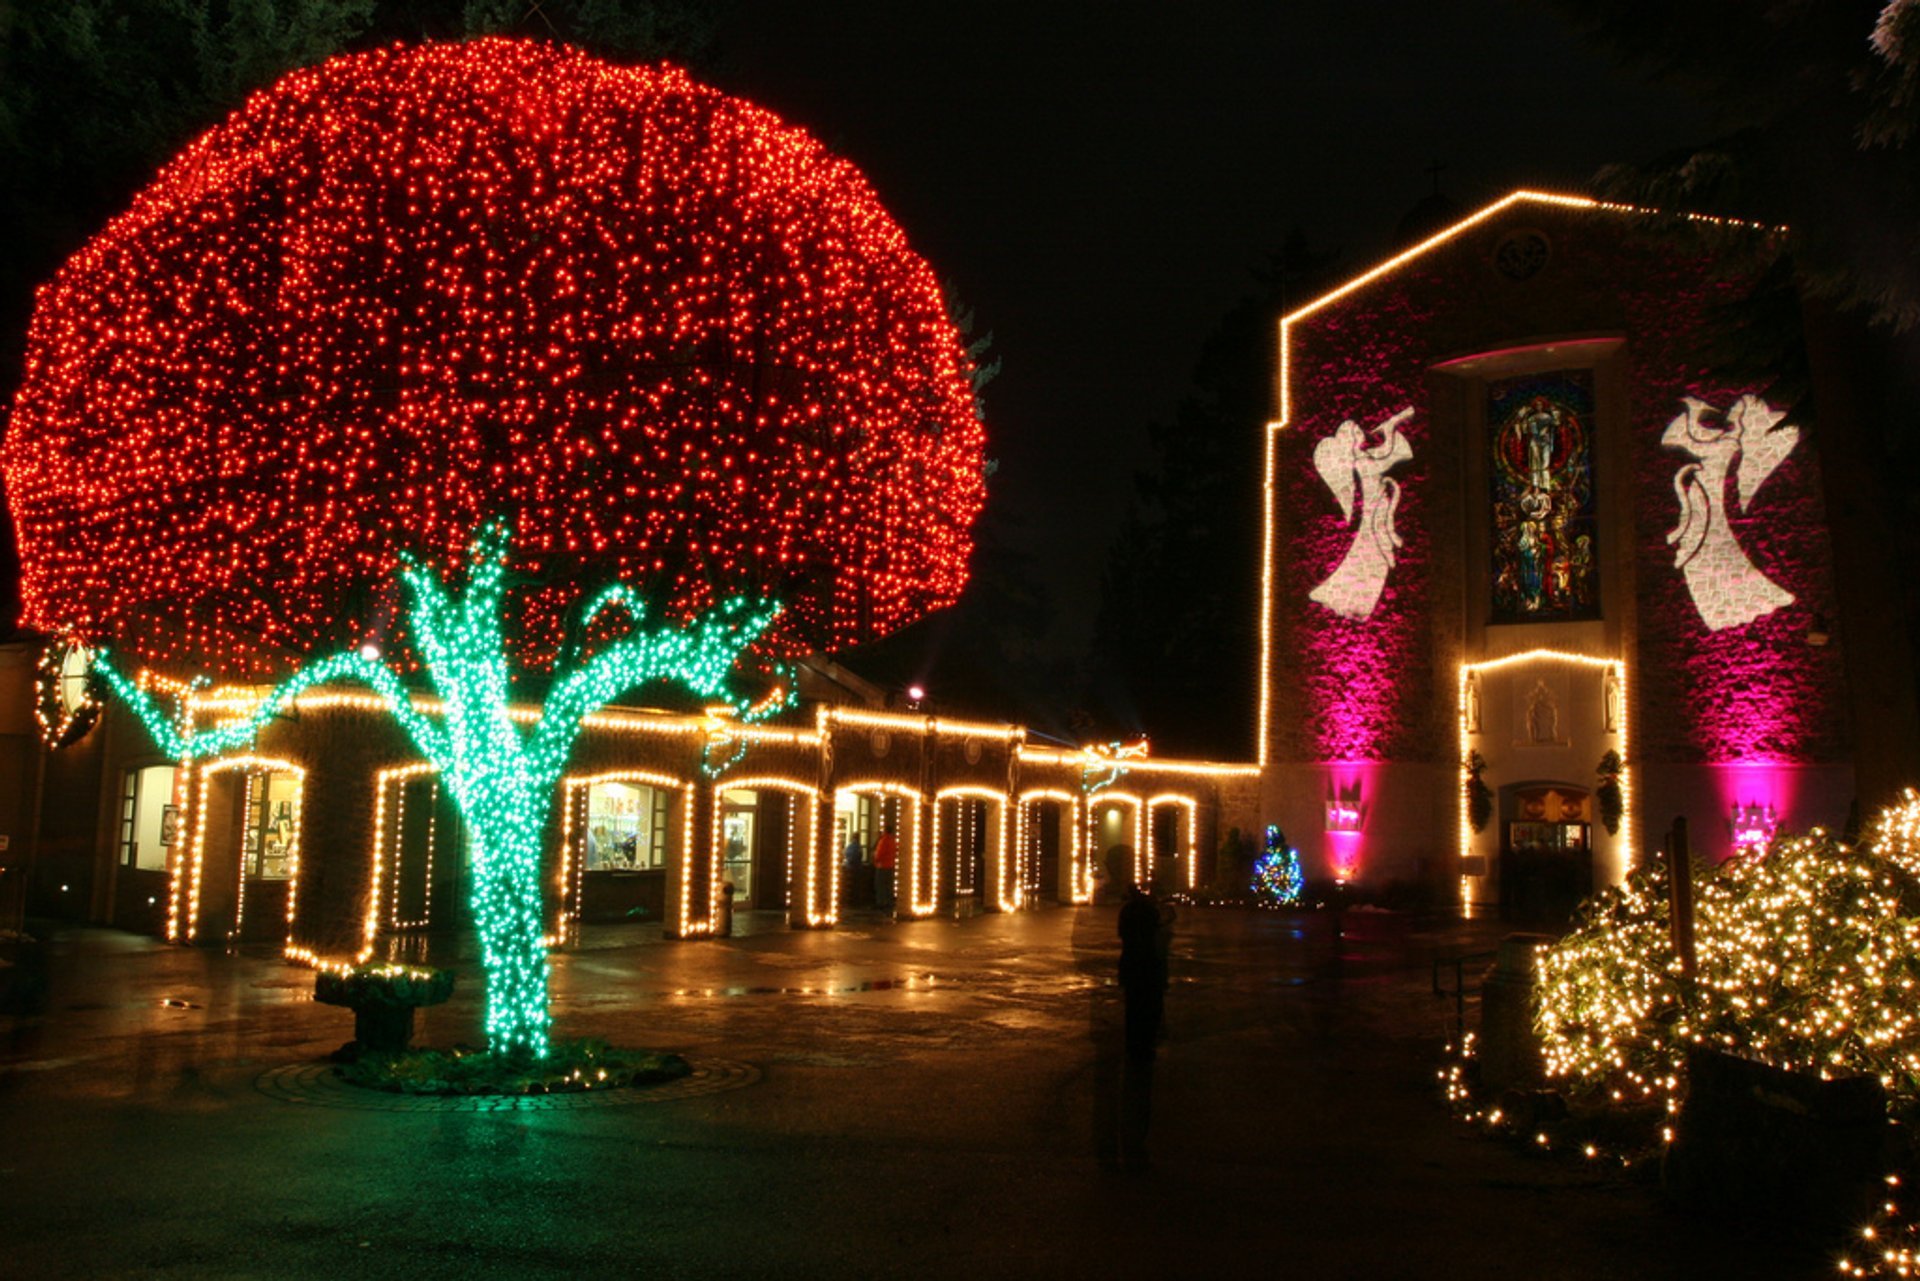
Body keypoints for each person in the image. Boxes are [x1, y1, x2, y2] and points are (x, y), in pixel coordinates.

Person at [872, 827, 897, 910]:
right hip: (891, 865)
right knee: (888, 886)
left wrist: (875, 857)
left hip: (882, 866)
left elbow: (879, 854)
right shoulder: (893, 840)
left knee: (880, 885)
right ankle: (888, 902)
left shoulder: (883, 840)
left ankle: (881, 903)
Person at [842, 833, 865, 906]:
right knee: (857, 886)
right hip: (858, 868)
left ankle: (850, 901)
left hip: (850, 868)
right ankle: (856, 901)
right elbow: (860, 856)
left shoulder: (850, 846)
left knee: (850, 885)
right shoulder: (859, 847)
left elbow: (846, 855)